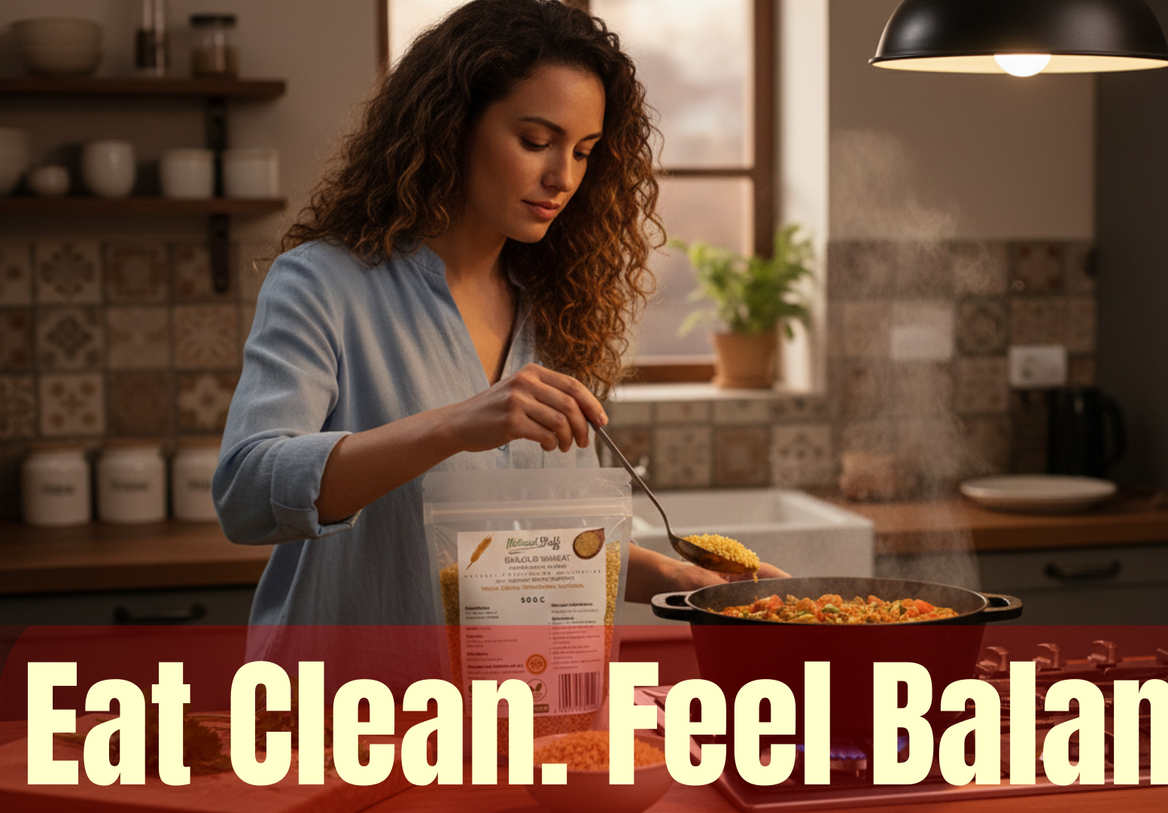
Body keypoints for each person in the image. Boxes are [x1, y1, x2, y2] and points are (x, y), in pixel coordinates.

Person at [213, 0, 784, 658]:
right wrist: (453, 425)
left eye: (583, 152)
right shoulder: (322, 282)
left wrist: (682, 581)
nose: (562, 177)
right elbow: (247, 494)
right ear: (451, 125)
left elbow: (545, 541)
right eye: (536, 141)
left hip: (500, 706)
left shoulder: (554, 309)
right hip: (345, 703)